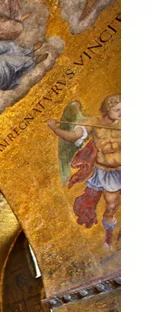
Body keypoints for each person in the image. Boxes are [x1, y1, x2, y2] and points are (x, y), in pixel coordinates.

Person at [47, 94, 121, 249]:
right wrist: (54, 128)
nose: (122, 113)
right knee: (111, 206)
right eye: (117, 110)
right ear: (107, 110)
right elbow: (73, 136)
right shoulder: (94, 122)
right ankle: (108, 239)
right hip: (108, 172)